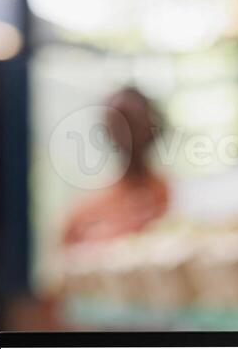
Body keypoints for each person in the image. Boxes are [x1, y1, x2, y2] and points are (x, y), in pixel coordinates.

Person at [61, 87, 170, 248]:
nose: (126, 133)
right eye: (117, 124)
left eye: (133, 122)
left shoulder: (173, 197)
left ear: (152, 126)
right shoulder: (84, 211)